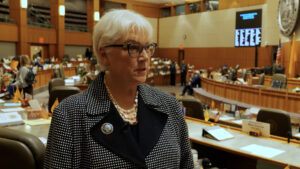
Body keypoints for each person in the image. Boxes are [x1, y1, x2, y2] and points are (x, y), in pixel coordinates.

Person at [44, 9, 193, 168]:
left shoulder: (169, 105)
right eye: (133, 48)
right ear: (104, 55)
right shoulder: (69, 115)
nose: (145, 57)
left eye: (148, 47)